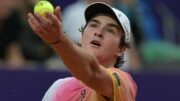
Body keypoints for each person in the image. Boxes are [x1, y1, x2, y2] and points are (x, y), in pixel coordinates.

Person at [28, 2, 137, 101]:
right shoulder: (58, 88)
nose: (98, 32)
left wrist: (59, 41)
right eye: (93, 25)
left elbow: (92, 71)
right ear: (82, 36)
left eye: (110, 30)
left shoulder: (124, 83)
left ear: (121, 49)